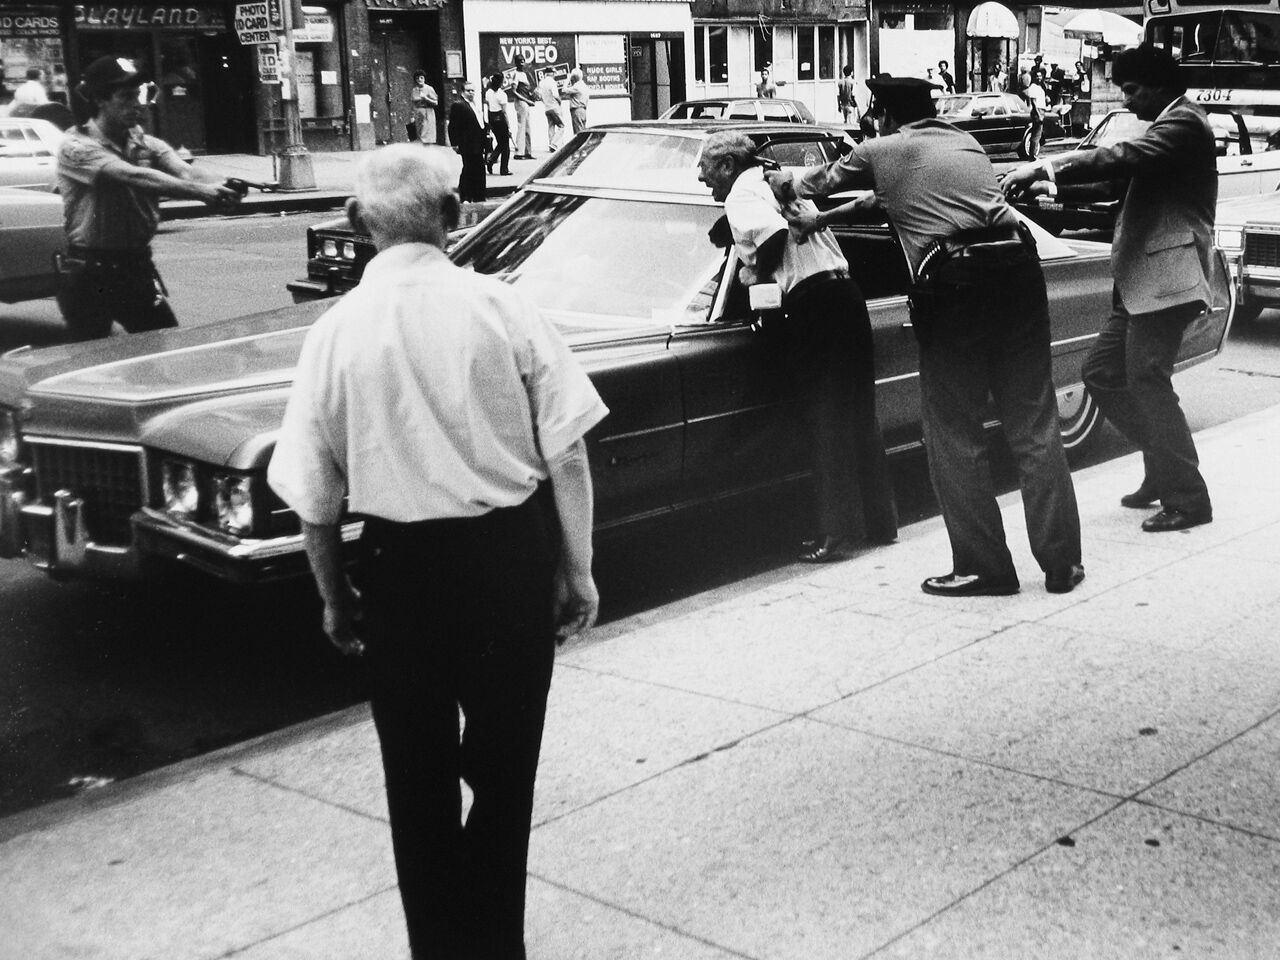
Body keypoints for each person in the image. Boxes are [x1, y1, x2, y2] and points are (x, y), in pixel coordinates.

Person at [268, 144, 608, 960]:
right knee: (505, 768)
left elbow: (315, 495)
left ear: (355, 225)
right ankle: (493, 944)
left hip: (400, 573)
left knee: (413, 780)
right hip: (504, 561)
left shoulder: (335, 331)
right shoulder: (504, 308)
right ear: (456, 216)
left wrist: (335, 596)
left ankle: (438, 947)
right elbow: (567, 454)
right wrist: (577, 566)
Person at [769, 76, 1083, 595]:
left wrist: (780, 182)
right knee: (1035, 425)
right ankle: (1062, 563)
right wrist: (825, 220)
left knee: (954, 435)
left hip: (957, 287)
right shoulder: (964, 143)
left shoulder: (880, 147)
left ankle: (985, 567)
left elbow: (810, 183)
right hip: (1020, 273)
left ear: (885, 114)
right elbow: (880, 201)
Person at [1002, 44, 1216, 534]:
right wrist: (1052, 190)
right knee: (1100, 374)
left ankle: (1188, 496)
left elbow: (1122, 156)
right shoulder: (1167, 125)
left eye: (1133, 89)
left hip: (1169, 280)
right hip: (1141, 281)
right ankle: (1164, 470)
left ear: (1159, 86)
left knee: (1146, 380)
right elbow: (1116, 183)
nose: (1128, 99)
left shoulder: (1183, 123)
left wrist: (1048, 166)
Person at [698, 131, 898, 562]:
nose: (701, 176)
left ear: (729, 166)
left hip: (814, 305)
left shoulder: (742, 195)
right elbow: (778, 223)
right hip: (846, 297)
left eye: (706, 167)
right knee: (859, 411)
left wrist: (757, 273)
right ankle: (882, 522)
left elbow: (770, 237)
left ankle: (836, 533)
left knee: (824, 417)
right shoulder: (776, 183)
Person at [54, 56, 239, 340]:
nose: (138, 104)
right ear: (100, 99)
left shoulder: (146, 144)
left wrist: (223, 183)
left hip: (134, 268)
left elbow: (186, 172)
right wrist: (202, 193)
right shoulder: (76, 146)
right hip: (89, 273)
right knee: (90, 361)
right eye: (127, 96)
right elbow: (133, 176)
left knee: (161, 348)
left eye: (141, 94)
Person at [447, 79, 487, 202]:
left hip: (477, 142)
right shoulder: (458, 105)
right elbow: (453, 126)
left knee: (478, 168)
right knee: (469, 168)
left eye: (473, 91)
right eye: (468, 91)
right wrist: (455, 143)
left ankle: (478, 195)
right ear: (463, 92)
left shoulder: (473, 104)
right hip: (467, 143)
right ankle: (466, 194)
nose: (471, 93)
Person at [508, 54, 537, 159]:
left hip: (526, 102)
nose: (522, 63)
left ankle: (527, 151)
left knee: (527, 127)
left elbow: (527, 89)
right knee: (522, 127)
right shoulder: (516, 74)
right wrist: (526, 100)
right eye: (520, 61)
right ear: (516, 63)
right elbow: (514, 91)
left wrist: (531, 97)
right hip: (521, 102)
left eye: (523, 61)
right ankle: (519, 152)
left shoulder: (525, 74)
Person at [484, 71, 511, 176]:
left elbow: (487, 105)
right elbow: (504, 112)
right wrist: (508, 127)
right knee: (506, 147)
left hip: (492, 118)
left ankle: (491, 159)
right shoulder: (502, 95)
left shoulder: (488, 93)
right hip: (500, 119)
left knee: (500, 143)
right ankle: (504, 169)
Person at [539, 67, 564, 152]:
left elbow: (539, 96)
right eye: (554, 73)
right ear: (551, 73)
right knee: (561, 126)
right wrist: (560, 102)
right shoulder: (552, 82)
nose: (555, 74)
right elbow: (556, 95)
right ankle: (554, 144)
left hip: (547, 108)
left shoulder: (541, 83)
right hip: (554, 107)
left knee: (551, 126)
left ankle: (551, 145)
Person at [410, 70, 437, 144]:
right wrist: (412, 116)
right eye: (417, 78)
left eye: (421, 78)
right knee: (418, 134)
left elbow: (435, 102)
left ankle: (428, 151)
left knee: (426, 134)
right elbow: (413, 104)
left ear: (424, 79)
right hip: (418, 113)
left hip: (427, 112)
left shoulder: (429, 89)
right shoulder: (414, 90)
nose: (419, 80)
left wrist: (426, 99)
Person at [1024, 75, 1047, 160]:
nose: (1039, 78)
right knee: (1036, 134)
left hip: (1041, 110)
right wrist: (1039, 114)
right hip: (1037, 111)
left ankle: (1032, 154)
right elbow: (1034, 102)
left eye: (1040, 76)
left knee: (1038, 133)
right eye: (1037, 76)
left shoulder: (1040, 87)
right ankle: (1033, 155)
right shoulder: (1033, 87)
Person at [564, 68, 589, 133]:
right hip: (583, 110)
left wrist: (568, 78)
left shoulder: (577, 86)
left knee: (578, 133)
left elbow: (564, 90)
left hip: (577, 110)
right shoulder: (584, 86)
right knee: (582, 131)